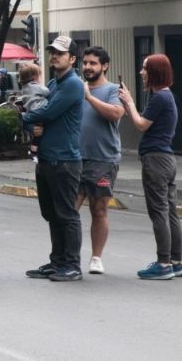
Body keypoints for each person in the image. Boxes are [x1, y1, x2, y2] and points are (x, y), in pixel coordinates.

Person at [119, 53, 182, 280]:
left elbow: (140, 125)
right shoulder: (166, 97)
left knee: (159, 211)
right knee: (170, 211)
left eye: (145, 68)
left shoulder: (159, 98)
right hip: (166, 159)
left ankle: (164, 263)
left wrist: (128, 102)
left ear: (155, 72)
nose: (141, 72)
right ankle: (176, 261)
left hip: (156, 160)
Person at [23, 36, 85, 282]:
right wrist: (33, 123)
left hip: (65, 159)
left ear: (71, 58)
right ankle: (57, 261)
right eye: (52, 52)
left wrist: (26, 119)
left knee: (66, 214)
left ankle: (71, 264)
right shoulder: (53, 83)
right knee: (51, 213)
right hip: (47, 158)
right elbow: (40, 116)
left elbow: (47, 113)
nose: (54, 56)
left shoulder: (72, 84)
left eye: (60, 53)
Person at [75, 47, 124, 275]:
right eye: (85, 63)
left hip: (103, 158)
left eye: (93, 63)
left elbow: (116, 113)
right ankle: (67, 255)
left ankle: (96, 257)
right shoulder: (76, 88)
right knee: (69, 209)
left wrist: (89, 97)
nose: (88, 67)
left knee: (99, 209)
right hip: (74, 157)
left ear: (104, 65)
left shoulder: (113, 89)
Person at [17, 63, 49, 162]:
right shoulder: (35, 86)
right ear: (35, 76)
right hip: (40, 110)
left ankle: (33, 150)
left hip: (32, 111)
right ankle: (34, 151)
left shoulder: (24, 88)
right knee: (42, 131)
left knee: (38, 134)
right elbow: (46, 91)